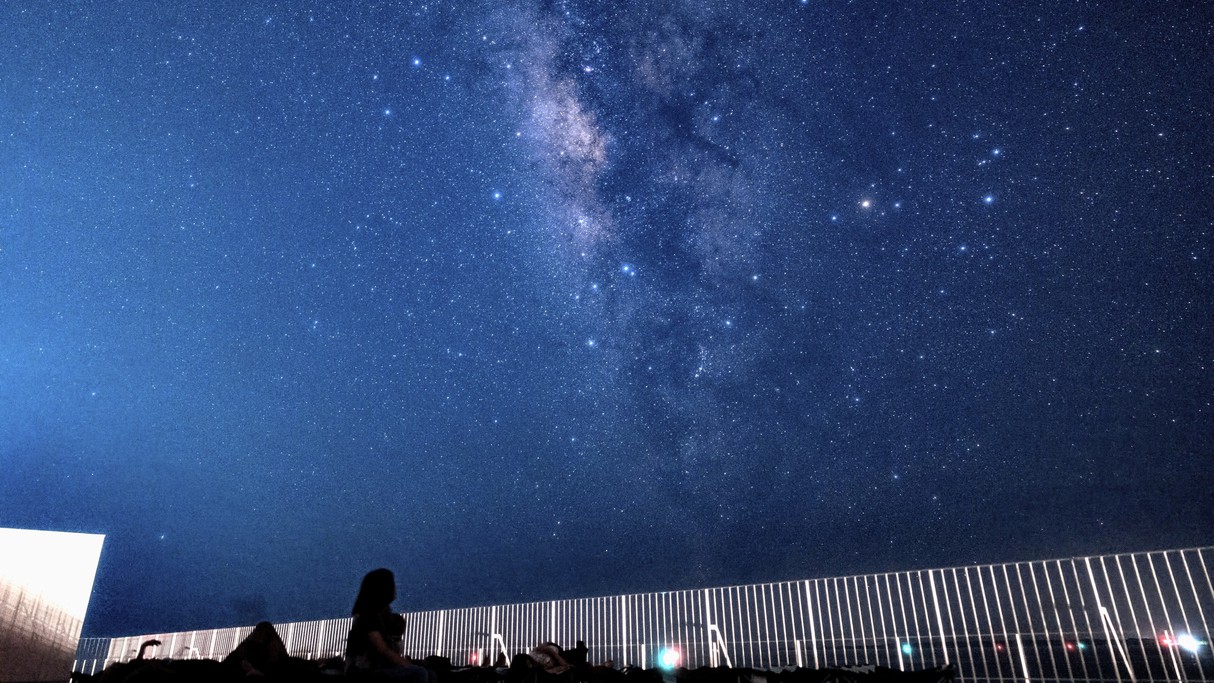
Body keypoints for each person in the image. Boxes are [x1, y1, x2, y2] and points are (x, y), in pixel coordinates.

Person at [346, 568, 436, 683]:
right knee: (419, 673)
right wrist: (406, 664)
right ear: (383, 588)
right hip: (364, 672)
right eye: (393, 585)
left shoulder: (382, 617)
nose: (395, 589)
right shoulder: (367, 616)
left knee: (429, 674)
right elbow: (382, 649)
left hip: (378, 668)